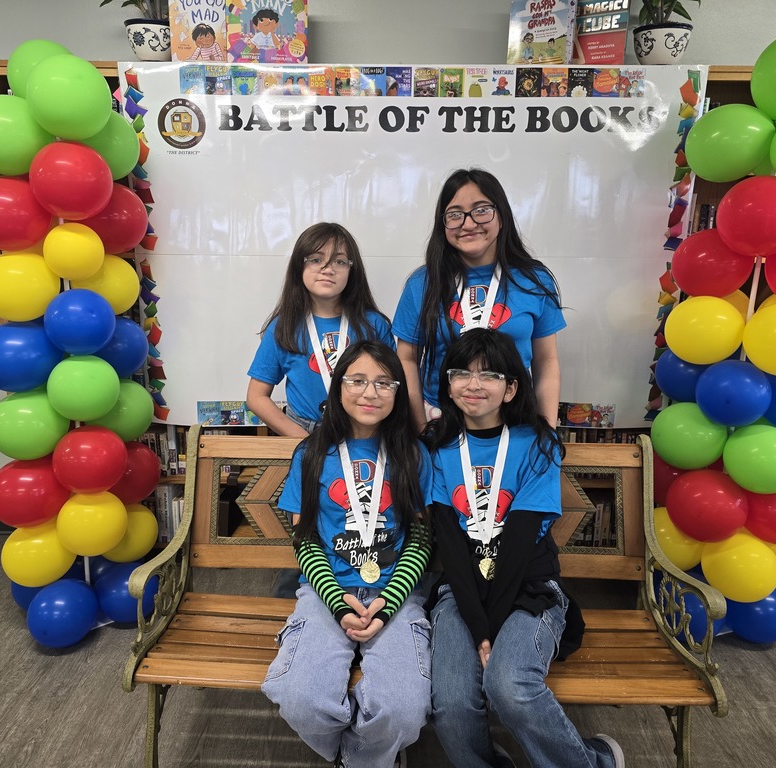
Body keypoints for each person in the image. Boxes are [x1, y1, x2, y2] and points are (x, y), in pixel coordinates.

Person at [424, 328, 623, 768]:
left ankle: (595, 762)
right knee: (451, 702)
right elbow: (451, 547)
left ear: (511, 388)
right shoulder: (437, 447)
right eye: (461, 374)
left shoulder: (536, 444)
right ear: (448, 384)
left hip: (529, 588)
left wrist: (491, 628)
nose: (473, 384)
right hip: (462, 592)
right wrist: (479, 628)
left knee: (509, 685)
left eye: (489, 375)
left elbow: (518, 544)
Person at [261, 340, 434, 768]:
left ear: (398, 392)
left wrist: (388, 602)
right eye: (357, 380)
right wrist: (338, 603)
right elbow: (305, 539)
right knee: (300, 699)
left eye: (384, 383)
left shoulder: (413, 454)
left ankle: (356, 758)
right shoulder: (311, 453)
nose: (370, 392)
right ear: (338, 387)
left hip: (396, 593)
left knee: (403, 710)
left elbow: (420, 539)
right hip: (327, 592)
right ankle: (368, 756)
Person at [392, 168, 565, 432]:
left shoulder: (534, 280)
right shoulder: (423, 283)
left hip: (514, 421)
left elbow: (546, 361)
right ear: (443, 224)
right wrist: (420, 429)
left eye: (481, 210)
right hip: (440, 422)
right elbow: (407, 360)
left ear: (502, 215)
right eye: (455, 214)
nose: (469, 224)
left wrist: (547, 431)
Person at [248, 222, 395, 437]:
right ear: (299, 267)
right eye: (316, 260)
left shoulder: (374, 324)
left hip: (363, 432)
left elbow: (391, 387)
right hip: (303, 431)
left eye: (339, 261)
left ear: (352, 270)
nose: (328, 269)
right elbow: (256, 397)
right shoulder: (283, 327)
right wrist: (301, 440)